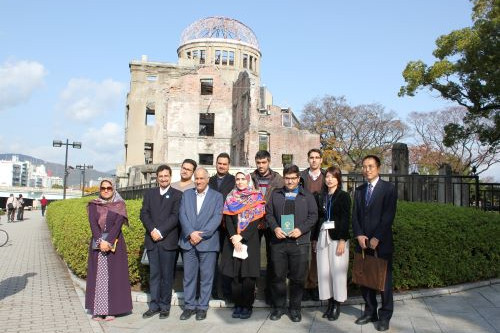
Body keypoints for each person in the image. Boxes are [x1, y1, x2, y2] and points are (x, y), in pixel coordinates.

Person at [266, 164, 318, 322]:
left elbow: (313, 216)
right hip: (279, 242)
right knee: (278, 277)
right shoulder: (276, 194)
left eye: (293, 178)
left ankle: (295, 309)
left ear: (298, 179)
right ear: (283, 178)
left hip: (299, 243)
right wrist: (275, 228)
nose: (289, 181)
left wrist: (301, 230)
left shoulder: (307, 196)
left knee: (297, 278)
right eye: (287, 178)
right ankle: (278, 307)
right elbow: (268, 214)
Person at [352, 155, 397, 332]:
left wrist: (377, 237)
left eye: (370, 166)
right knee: (366, 280)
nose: (367, 170)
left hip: (381, 243)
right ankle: (370, 312)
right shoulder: (360, 189)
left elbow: (388, 215)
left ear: (378, 167)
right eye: (364, 167)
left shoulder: (388, 189)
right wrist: (359, 235)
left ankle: (385, 316)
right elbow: (355, 215)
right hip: (363, 243)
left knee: (384, 281)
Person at [178, 168, 223, 321]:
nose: (198, 181)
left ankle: (202, 307)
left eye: (201, 178)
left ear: (208, 179)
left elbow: (217, 218)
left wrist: (201, 235)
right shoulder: (186, 194)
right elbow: (182, 215)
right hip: (188, 242)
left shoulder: (217, 197)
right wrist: (191, 233)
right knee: (189, 277)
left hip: (208, 243)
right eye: (196, 178)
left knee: (206, 277)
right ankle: (189, 306)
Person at [85, 178, 133, 321]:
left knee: (114, 277)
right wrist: (100, 241)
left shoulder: (119, 204)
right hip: (97, 244)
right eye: (103, 188)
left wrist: (109, 242)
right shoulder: (94, 204)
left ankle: (112, 309)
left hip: (115, 244)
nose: (106, 190)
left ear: (114, 189)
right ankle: (98, 310)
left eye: (109, 188)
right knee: (98, 277)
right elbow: (93, 224)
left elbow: (118, 225)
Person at [220, 171, 265, 319]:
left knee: (248, 277)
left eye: (243, 179)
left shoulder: (256, 197)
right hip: (233, 241)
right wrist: (234, 237)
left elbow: (256, 221)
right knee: (235, 276)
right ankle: (238, 305)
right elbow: (227, 219)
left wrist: (242, 236)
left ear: (248, 181)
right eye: (237, 179)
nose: (240, 182)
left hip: (249, 241)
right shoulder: (231, 197)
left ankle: (247, 306)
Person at [140, 165, 183, 319]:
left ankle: (165, 306)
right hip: (152, 241)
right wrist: (152, 230)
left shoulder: (177, 195)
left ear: (170, 177)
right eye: (161, 176)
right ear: (157, 178)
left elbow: (175, 216)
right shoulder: (150, 193)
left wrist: (160, 231)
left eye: (166, 176)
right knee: (154, 275)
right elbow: (144, 213)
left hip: (168, 241)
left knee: (166, 276)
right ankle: (154, 305)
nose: (164, 178)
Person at [315, 166, 351, 320]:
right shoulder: (322, 196)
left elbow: (345, 219)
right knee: (324, 271)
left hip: (337, 238)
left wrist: (343, 240)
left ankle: (337, 304)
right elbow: (318, 218)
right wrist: (314, 239)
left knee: (337, 271)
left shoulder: (343, 196)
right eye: (327, 176)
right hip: (323, 235)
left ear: (338, 179)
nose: (329, 179)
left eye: (333, 177)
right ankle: (329, 302)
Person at [250, 150, 284, 305]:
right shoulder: (250, 178)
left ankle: (271, 294)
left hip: (272, 223)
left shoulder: (278, 180)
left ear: (269, 162)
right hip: (254, 224)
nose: (261, 165)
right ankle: (251, 291)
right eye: (258, 163)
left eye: (264, 162)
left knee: (273, 258)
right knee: (252, 257)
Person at [300, 148, 327, 301]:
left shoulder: (326, 176)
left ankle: (314, 285)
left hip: (321, 220)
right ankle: (303, 286)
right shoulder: (302, 176)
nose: (314, 160)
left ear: (321, 160)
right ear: (308, 159)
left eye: (317, 157)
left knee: (317, 254)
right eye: (311, 157)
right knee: (304, 254)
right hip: (304, 219)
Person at [208, 153, 235, 301]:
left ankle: (227, 292)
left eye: (225, 164)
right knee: (211, 259)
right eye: (220, 163)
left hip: (226, 226)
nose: (222, 166)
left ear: (228, 165)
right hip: (211, 227)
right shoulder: (209, 180)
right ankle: (212, 291)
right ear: (216, 164)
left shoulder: (233, 181)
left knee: (226, 260)